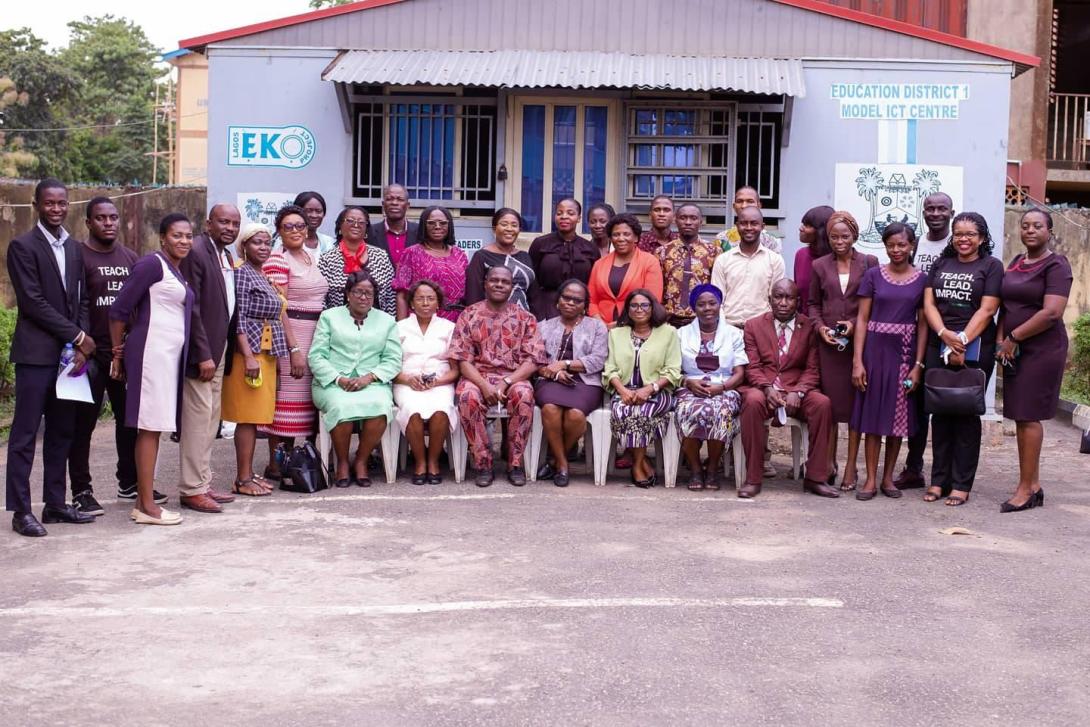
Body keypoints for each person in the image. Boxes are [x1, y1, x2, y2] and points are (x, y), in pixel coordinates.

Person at [5, 179, 97, 536]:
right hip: (35, 355)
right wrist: (78, 336)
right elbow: (33, 303)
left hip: (69, 358)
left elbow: (83, 300)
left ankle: (56, 504)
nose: (56, 208)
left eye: (62, 203)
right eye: (49, 203)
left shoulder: (74, 249)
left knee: (62, 432)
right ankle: (21, 511)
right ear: (36, 205)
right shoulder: (22, 246)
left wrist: (81, 344)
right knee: (26, 435)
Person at [108, 213, 196, 526]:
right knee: (148, 426)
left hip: (166, 356)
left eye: (188, 236)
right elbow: (118, 310)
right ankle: (146, 506)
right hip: (150, 354)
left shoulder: (174, 269)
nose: (184, 241)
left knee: (155, 426)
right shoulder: (151, 264)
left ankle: (144, 503)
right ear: (162, 237)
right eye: (177, 235)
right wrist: (118, 355)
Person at [922, 212, 1004, 506]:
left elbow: (987, 309)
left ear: (982, 238)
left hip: (977, 344)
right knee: (940, 412)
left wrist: (962, 342)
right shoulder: (941, 264)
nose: (964, 239)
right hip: (939, 343)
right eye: (958, 234)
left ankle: (961, 484)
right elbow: (929, 303)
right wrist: (945, 334)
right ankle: (938, 480)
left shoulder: (992, 266)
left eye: (970, 234)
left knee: (967, 414)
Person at [996, 208, 1073, 513]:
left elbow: (1052, 312)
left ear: (1049, 231)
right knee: (1020, 415)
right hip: (1014, 349)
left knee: (1029, 416)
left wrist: (1014, 338)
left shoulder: (1057, 265)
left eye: (1037, 226)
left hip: (1042, 350)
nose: (1030, 230)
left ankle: (1025, 489)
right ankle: (1034, 484)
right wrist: (1002, 342)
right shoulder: (1016, 262)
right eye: (1025, 226)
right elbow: (1005, 305)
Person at [67, 197, 139, 517]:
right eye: (101, 218)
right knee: (83, 426)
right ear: (88, 223)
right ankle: (81, 490)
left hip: (123, 354)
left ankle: (129, 483)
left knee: (129, 423)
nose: (108, 223)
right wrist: (80, 345)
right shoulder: (78, 256)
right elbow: (72, 305)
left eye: (113, 217)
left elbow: (137, 306)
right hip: (91, 354)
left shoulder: (131, 258)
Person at [448, 265, 548, 487]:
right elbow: (463, 359)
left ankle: (515, 463)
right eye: (494, 280)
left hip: (513, 376)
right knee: (467, 397)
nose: (499, 285)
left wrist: (507, 381)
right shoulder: (469, 314)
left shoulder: (525, 318)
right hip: (477, 376)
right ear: (485, 283)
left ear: (512, 287)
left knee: (523, 394)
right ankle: (483, 463)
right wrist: (484, 385)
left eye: (505, 282)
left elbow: (533, 359)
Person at [849, 223, 928, 500]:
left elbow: (923, 325)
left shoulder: (922, 279)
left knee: (897, 420)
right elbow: (861, 318)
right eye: (891, 245)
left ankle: (888, 479)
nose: (896, 250)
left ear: (912, 246)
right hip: (874, 351)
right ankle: (870, 479)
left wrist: (918, 365)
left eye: (902, 245)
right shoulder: (873, 275)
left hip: (904, 354)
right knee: (872, 417)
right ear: (885, 246)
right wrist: (858, 361)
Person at [739, 280, 837, 499]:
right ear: (770, 299)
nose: (783, 303)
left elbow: (812, 368)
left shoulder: (809, 327)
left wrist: (799, 391)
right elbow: (752, 367)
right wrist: (766, 388)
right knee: (752, 401)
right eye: (778, 297)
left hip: (796, 390)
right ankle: (753, 478)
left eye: (789, 298)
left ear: (798, 301)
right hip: (764, 390)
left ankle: (815, 478)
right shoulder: (753, 325)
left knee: (822, 404)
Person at [221, 223, 299, 496]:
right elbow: (238, 316)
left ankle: (247, 473)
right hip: (250, 353)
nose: (263, 247)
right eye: (256, 242)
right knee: (246, 417)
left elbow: (278, 313)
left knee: (255, 418)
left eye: (267, 242)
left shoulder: (262, 274)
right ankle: (242, 479)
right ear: (244, 245)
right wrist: (248, 356)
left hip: (266, 352)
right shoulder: (241, 273)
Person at [177, 202, 241, 514]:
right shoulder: (198, 251)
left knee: (211, 420)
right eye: (223, 222)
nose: (229, 228)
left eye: (234, 224)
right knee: (197, 421)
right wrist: (203, 353)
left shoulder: (225, 254)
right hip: (203, 353)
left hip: (220, 349)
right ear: (208, 223)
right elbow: (194, 308)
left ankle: (202, 482)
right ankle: (191, 488)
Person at [310, 272, 403, 487]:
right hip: (332, 382)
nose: (363, 297)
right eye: (358, 292)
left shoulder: (387, 321)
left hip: (371, 382)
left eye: (369, 293)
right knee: (340, 405)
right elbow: (316, 356)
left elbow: (393, 359)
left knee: (380, 406)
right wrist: (339, 378)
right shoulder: (329, 317)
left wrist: (369, 378)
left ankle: (360, 460)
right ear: (348, 294)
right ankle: (342, 462)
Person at [259, 206, 329, 484]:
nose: (296, 231)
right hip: (292, 338)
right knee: (283, 406)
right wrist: (293, 348)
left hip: (315, 335)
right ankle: (277, 464)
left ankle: (296, 461)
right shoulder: (278, 260)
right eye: (288, 226)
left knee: (304, 405)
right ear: (279, 230)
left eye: (300, 225)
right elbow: (279, 308)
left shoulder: (310, 257)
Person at [809, 210, 878, 490]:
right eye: (834, 236)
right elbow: (812, 303)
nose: (839, 241)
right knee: (831, 408)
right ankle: (828, 463)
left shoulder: (870, 263)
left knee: (855, 409)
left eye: (845, 236)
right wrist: (820, 328)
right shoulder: (819, 265)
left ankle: (851, 465)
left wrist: (852, 325)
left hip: (858, 344)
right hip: (829, 346)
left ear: (854, 236)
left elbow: (874, 302)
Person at [894, 192, 955, 490]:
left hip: (948, 333)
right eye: (930, 208)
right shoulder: (916, 243)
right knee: (917, 405)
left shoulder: (957, 244)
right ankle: (913, 468)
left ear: (951, 212)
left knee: (946, 403)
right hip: (916, 332)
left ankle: (946, 472)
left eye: (941, 208)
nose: (935, 213)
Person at [602, 290, 681, 488]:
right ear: (627, 310)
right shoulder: (615, 334)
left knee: (643, 412)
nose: (639, 310)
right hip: (624, 391)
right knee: (623, 410)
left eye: (644, 305)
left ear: (653, 308)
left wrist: (650, 389)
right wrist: (622, 391)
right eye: (634, 305)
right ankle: (643, 461)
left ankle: (636, 464)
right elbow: (609, 369)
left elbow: (673, 370)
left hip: (658, 392)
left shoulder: (668, 332)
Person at [535, 279, 609, 487]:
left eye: (577, 300)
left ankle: (554, 460)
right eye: (566, 298)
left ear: (585, 305)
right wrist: (555, 374)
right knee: (550, 408)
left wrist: (565, 364)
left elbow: (598, 360)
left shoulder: (596, 327)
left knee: (576, 415)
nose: (570, 303)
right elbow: (536, 360)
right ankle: (563, 465)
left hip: (586, 382)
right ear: (558, 300)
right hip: (550, 380)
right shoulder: (543, 326)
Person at [675, 284, 747, 491]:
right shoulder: (681, 334)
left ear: (719, 305)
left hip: (724, 386)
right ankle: (696, 469)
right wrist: (688, 382)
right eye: (701, 304)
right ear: (693, 308)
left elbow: (740, 373)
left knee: (720, 411)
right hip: (690, 386)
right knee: (686, 410)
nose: (707, 308)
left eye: (712, 303)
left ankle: (713, 468)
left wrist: (722, 388)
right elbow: (671, 369)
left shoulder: (734, 334)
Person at [393, 280, 460, 485]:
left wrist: (437, 382)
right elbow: (391, 367)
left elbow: (455, 370)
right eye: (420, 298)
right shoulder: (398, 327)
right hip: (406, 382)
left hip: (439, 383)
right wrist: (408, 379)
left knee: (441, 409)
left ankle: (433, 462)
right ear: (411, 303)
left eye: (430, 298)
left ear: (438, 303)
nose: (425, 303)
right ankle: (420, 462)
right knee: (412, 408)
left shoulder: (449, 328)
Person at [711, 205, 785, 328]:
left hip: (762, 329)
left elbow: (776, 301)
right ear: (737, 226)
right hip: (729, 329)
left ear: (762, 227)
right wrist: (723, 329)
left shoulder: (775, 260)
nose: (749, 228)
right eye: (744, 223)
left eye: (754, 223)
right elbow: (717, 299)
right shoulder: (723, 260)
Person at [392, 205, 468, 322]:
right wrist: (401, 328)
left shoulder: (459, 254)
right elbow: (402, 295)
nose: (437, 227)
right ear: (424, 226)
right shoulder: (412, 253)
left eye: (442, 223)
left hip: (457, 321)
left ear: (449, 226)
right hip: (423, 320)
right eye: (431, 223)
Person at [528, 198, 600, 320]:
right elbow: (532, 279)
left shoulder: (590, 248)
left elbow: (595, 284)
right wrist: (536, 309)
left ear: (579, 218)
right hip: (545, 308)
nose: (564, 217)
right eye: (559, 213)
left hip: (580, 308)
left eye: (570, 213)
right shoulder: (540, 244)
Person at [587, 213, 664, 327]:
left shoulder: (649, 262)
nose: (621, 238)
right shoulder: (599, 264)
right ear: (610, 238)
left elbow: (652, 300)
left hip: (636, 327)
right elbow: (591, 300)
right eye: (616, 234)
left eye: (626, 234)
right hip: (601, 328)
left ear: (636, 237)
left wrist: (622, 324)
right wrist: (600, 324)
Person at [319, 206, 397, 315]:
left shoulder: (380, 256)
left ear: (366, 229)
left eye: (361, 222)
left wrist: (389, 323)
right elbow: (321, 298)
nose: (356, 225)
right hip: (338, 324)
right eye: (350, 221)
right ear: (340, 227)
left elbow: (390, 296)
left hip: (377, 323)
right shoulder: (328, 259)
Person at [463, 208, 538, 312]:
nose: (509, 229)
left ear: (519, 230)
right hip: (490, 321)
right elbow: (473, 296)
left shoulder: (525, 256)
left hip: (523, 321)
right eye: (504, 224)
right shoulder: (481, 256)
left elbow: (534, 295)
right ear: (494, 228)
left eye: (514, 225)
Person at [657, 203, 720, 327]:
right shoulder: (662, 252)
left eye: (693, 218)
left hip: (702, 320)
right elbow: (658, 286)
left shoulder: (714, 252)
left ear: (701, 222)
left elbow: (717, 287)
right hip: (669, 320)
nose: (688, 222)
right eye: (683, 218)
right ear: (675, 220)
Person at [715, 186, 782, 253]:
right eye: (739, 201)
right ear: (734, 206)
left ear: (759, 206)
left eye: (750, 201)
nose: (744, 206)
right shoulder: (722, 239)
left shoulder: (771, 240)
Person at [793, 205, 834, 312]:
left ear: (821, 231)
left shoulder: (837, 259)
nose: (801, 228)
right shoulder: (801, 255)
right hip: (804, 324)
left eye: (807, 225)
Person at [368, 183, 419, 266]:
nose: (394, 203)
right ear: (383, 204)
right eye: (389, 199)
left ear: (408, 205)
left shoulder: (420, 232)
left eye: (400, 199)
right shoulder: (370, 232)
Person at [284, 191, 335, 255]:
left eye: (318, 211)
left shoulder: (329, 242)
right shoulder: (285, 240)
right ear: (297, 212)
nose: (314, 215)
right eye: (308, 211)